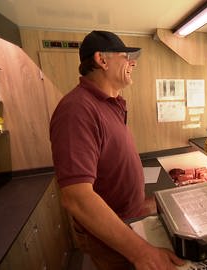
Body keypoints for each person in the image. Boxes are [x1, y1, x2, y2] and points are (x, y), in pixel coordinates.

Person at [50, 30, 185, 270]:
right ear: (102, 60)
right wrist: (143, 253)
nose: (132, 63)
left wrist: (141, 204)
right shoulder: (77, 110)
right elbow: (77, 198)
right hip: (114, 237)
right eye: (125, 56)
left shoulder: (112, 103)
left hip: (131, 219)